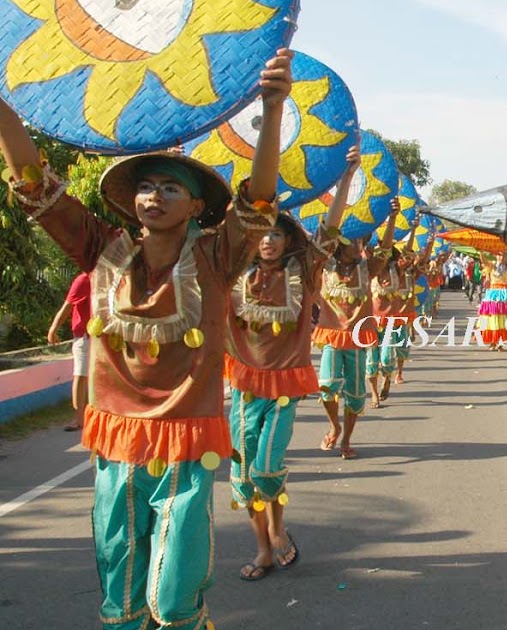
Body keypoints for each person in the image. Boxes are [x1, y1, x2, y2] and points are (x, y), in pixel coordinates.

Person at [1, 48, 292, 630]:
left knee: (175, 593)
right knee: (120, 587)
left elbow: (258, 200)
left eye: (170, 189)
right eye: (147, 187)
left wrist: (272, 109)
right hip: (115, 443)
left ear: (198, 207)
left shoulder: (216, 257)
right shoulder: (100, 248)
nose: (154, 196)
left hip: (184, 445)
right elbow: (35, 183)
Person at [224, 146, 356, 582]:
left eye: (277, 234)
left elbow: (330, 230)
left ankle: (279, 530)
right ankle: (263, 549)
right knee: (243, 480)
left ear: (287, 241)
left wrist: (345, 178)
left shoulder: (305, 269)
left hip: (282, 390)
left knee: (265, 471)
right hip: (244, 388)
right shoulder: (232, 271)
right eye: (262, 234)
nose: (268, 240)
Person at [314, 202, 400, 459]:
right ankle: (334, 426)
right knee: (327, 386)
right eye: (354, 242)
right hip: (331, 337)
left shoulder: (367, 268)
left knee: (354, 394)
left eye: (362, 242)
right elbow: (319, 239)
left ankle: (347, 441)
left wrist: (392, 217)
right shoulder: (324, 267)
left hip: (357, 340)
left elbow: (385, 251)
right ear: (340, 245)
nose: (360, 247)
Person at [367, 228, 425, 407]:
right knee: (371, 362)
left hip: (391, 323)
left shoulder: (397, 270)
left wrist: (413, 230)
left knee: (385, 359)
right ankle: (374, 394)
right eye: (378, 254)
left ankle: (387, 379)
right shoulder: (368, 270)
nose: (380, 257)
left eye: (384, 254)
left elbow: (408, 253)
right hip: (370, 323)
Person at [47, 271, 90, 431]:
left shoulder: (108, 278)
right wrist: (53, 329)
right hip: (84, 337)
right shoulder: (83, 280)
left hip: (104, 337)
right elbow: (67, 306)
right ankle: (79, 419)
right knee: (80, 375)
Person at [477, 250, 507, 350]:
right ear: (495, 256)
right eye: (498, 255)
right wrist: (481, 252)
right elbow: (484, 262)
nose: (500, 257)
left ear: (506, 257)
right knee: (492, 319)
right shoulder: (492, 266)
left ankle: (500, 343)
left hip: (505, 294)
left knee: (503, 320)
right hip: (493, 294)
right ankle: (493, 342)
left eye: (502, 255)